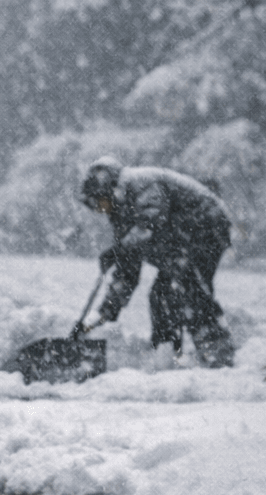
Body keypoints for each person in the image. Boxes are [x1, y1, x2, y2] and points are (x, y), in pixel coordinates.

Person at [76, 156, 236, 367]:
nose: (97, 209)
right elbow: (127, 273)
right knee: (161, 294)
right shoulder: (120, 214)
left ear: (110, 189)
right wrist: (103, 314)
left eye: (97, 201)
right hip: (180, 242)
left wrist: (120, 249)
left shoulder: (140, 183)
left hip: (205, 228)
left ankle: (217, 352)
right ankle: (168, 355)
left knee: (185, 286)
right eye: (92, 204)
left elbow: (152, 221)